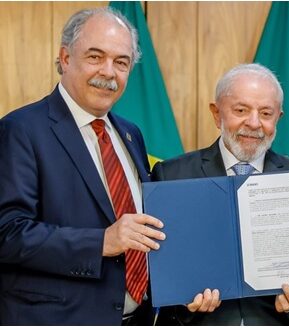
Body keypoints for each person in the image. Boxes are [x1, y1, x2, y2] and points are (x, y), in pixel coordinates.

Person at [0, 8, 165, 325]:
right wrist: (103, 242)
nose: (108, 72)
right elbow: (8, 233)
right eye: (95, 56)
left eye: (121, 62)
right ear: (65, 58)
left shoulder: (131, 134)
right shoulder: (20, 130)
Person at [152, 63, 289, 325]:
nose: (254, 123)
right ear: (216, 114)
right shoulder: (171, 176)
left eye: (266, 113)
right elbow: (162, 268)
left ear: (278, 118)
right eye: (241, 110)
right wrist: (186, 304)